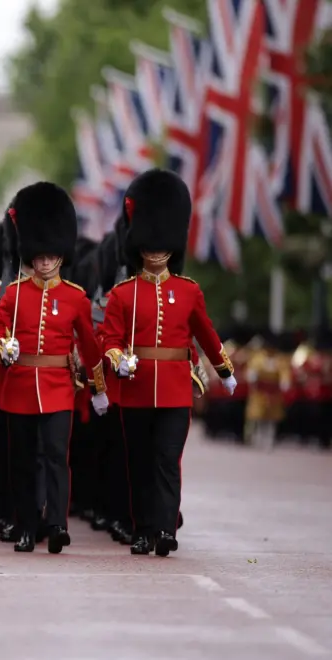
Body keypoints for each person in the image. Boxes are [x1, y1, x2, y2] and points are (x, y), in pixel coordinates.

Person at [101, 169, 237, 557]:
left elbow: (206, 334)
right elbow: (109, 339)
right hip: (137, 387)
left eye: (163, 244)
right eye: (149, 244)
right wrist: (117, 359)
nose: (156, 250)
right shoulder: (123, 294)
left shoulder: (188, 291)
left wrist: (224, 370)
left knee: (167, 460)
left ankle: (164, 528)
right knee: (140, 463)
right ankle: (143, 530)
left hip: (177, 387)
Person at [0, 182, 109, 554]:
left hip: (57, 387)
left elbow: (89, 346)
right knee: (22, 462)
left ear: (59, 255)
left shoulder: (74, 297)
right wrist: (0, 348)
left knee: (57, 457)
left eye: (49, 256)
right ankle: (26, 526)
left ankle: (56, 523)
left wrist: (99, 388)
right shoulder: (13, 294)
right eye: (38, 256)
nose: (43, 262)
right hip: (20, 386)